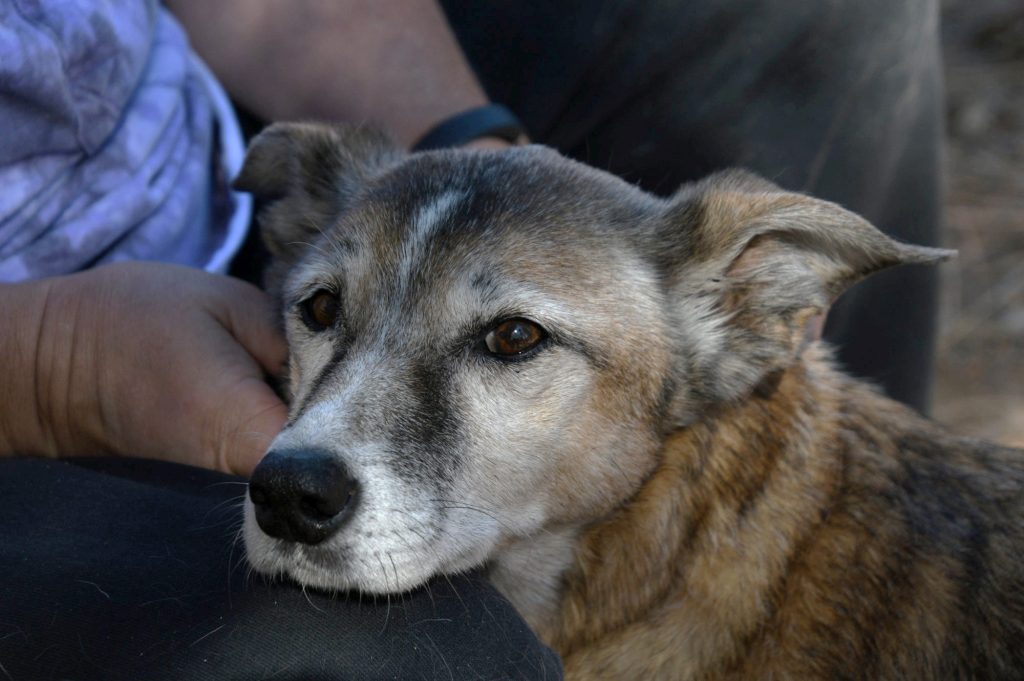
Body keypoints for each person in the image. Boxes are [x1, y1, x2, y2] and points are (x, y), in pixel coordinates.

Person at [0, 0, 944, 678]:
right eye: (324, 312)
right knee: (406, 652)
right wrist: (50, 366)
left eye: (507, 339)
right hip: (41, 374)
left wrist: (470, 141)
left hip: (200, 139)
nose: (322, 447)